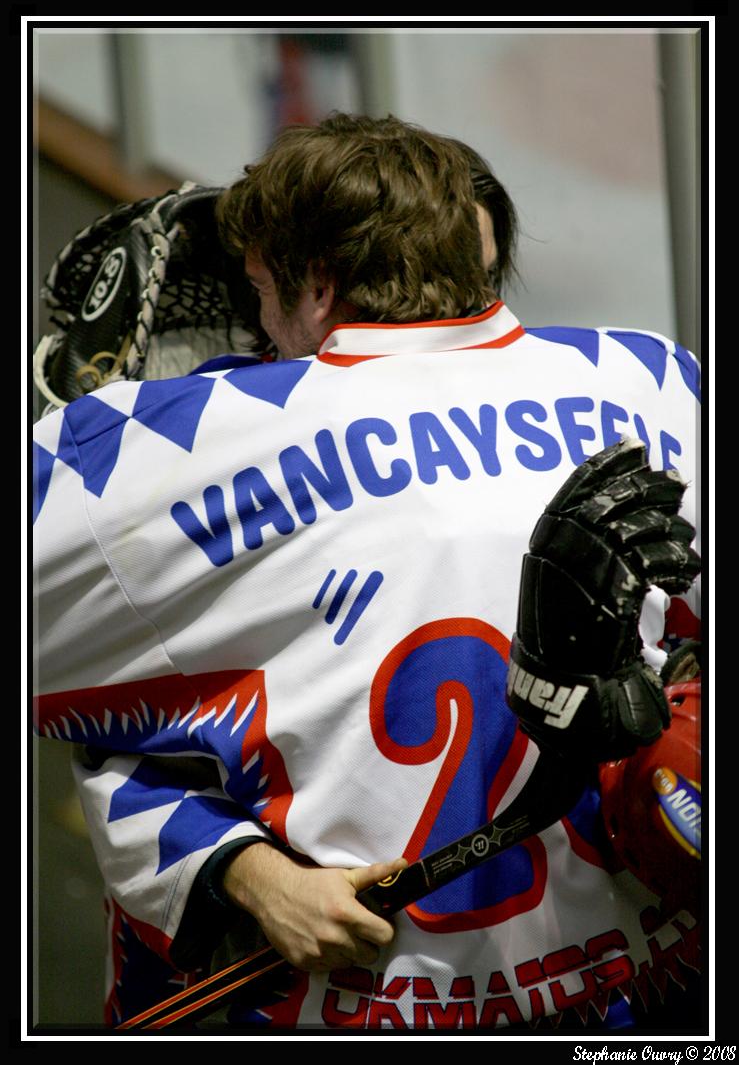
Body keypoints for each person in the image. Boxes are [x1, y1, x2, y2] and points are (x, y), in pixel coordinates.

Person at [33, 114, 700, 1031]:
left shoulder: (156, 448)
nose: (260, 326)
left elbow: (110, 706)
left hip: (351, 1005)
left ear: (316, 284)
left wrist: (81, 437)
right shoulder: (657, 378)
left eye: (259, 291)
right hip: (653, 986)